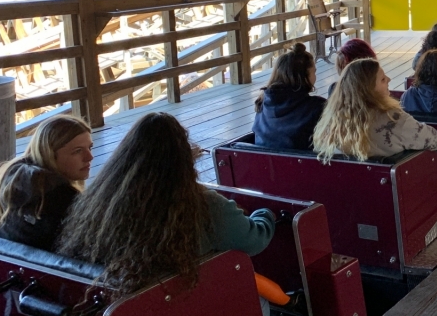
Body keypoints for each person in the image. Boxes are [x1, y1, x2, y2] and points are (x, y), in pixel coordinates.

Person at [58, 113, 275, 294]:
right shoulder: (204, 205)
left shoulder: (99, 200)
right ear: (183, 157)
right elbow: (253, 240)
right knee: (260, 301)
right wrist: (266, 214)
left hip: (131, 301)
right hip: (186, 300)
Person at [0, 115, 92, 252]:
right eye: (77, 151)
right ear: (50, 154)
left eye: (90, 148)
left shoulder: (11, 178)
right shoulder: (60, 197)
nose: (89, 157)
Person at [314, 58, 437, 162]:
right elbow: (434, 140)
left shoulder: (328, 124)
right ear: (369, 89)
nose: (389, 80)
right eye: (383, 79)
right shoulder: (394, 119)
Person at [252, 43, 325, 150]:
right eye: (314, 72)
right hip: (300, 165)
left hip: (261, 163)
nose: (315, 76)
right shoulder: (316, 106)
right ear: (304, 76)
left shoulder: (261, 102)